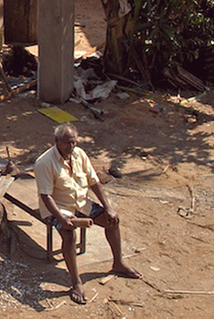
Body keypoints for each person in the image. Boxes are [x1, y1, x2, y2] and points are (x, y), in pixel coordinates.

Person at [35, 123, 142, 305]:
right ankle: (76, 282)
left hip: (82, 204)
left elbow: (94, 183)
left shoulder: (79, 154)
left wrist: (107, 206)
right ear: (57, 141)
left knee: (112, 221)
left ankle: (118, 263)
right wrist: (61, 218)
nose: (71, 147)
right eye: (67, 143)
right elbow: (46, 196)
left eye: (74, 143)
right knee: (69, 235)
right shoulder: (44, 162)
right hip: (58, 207)